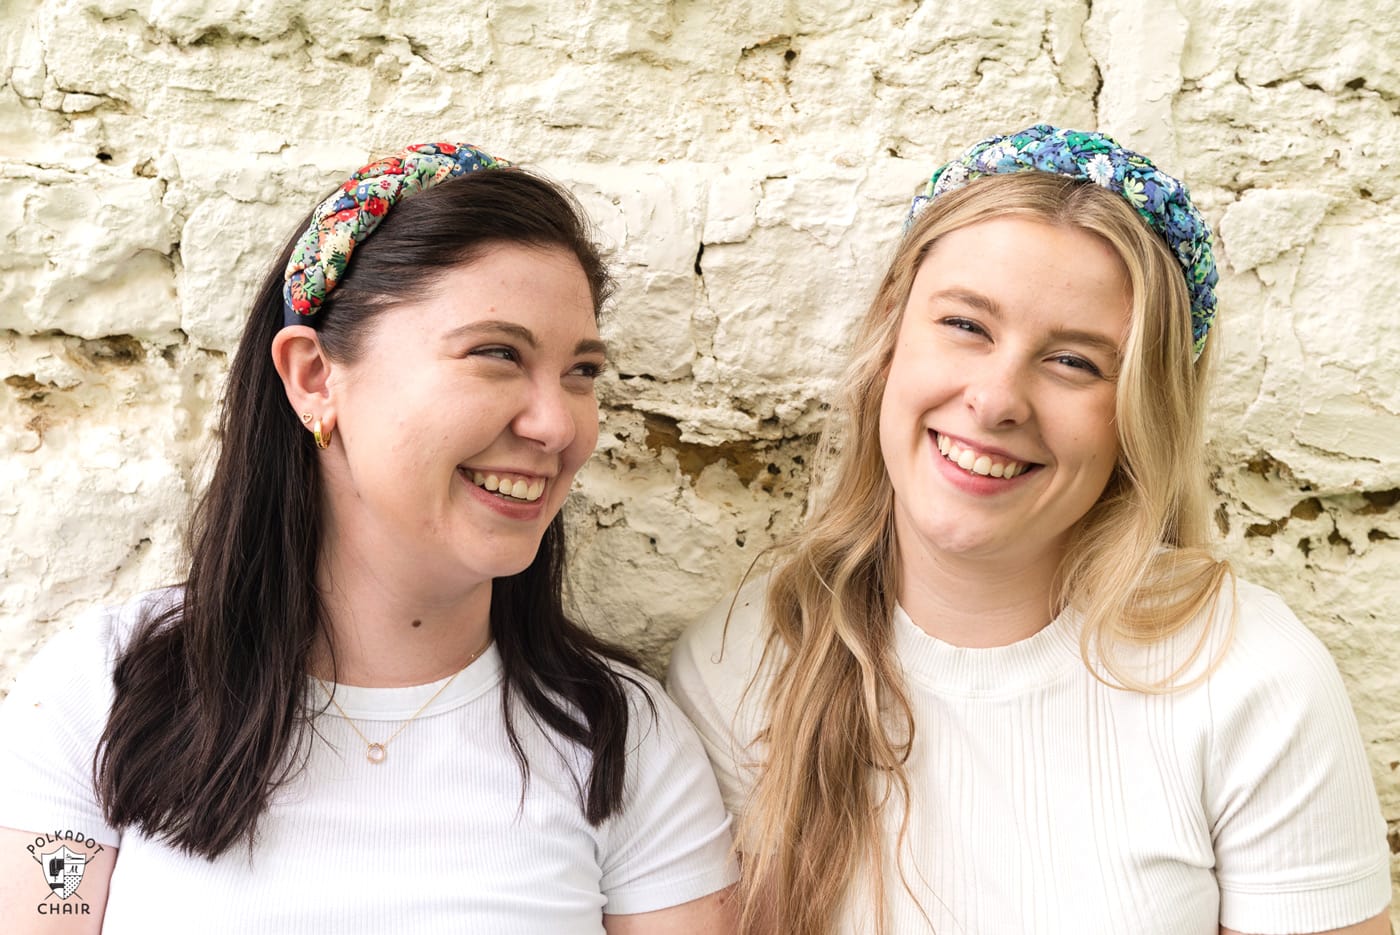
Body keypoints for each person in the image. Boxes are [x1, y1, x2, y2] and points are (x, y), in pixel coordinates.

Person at [667, 126, 1391, 935]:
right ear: (888, 342)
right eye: (966, 326)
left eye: (1075, 361)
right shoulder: (742, 663)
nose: (997, 397)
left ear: (1139, 415)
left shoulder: (1249, 679)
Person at [0, 142, 738, 934]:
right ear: (315, 377)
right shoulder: (109, 691)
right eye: (497, 354)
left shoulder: (620, 742)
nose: (556, 424)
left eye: (581, 371)